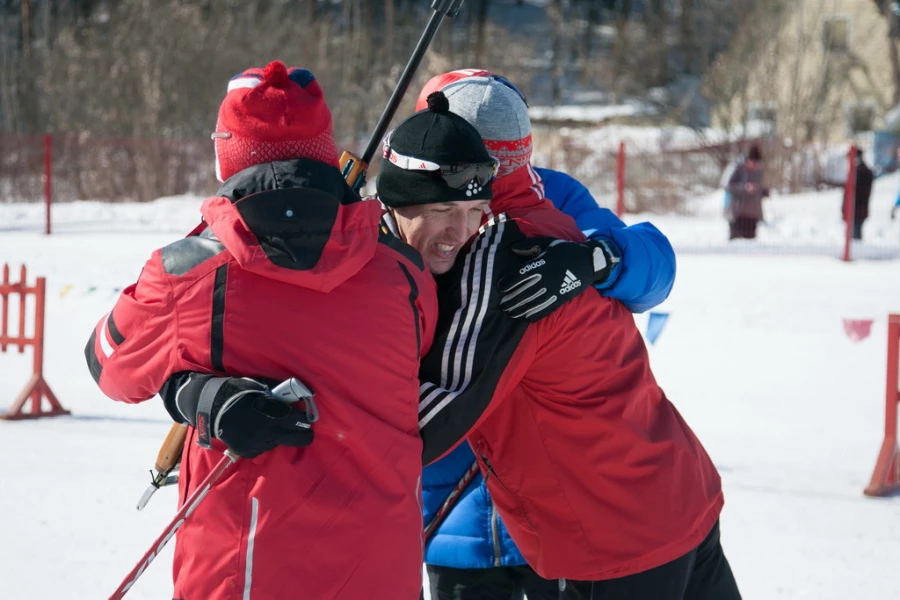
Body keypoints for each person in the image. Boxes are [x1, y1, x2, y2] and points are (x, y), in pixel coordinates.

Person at [84, 61, 440, 600]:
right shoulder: (403, 271)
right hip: (381, 572)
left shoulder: (189, 270)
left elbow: (110, 365)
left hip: (244, 574)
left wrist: (190, 388)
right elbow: (417, 347)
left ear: (227, 154)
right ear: (325, 150)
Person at [414, 74, 740, 600]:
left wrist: (596, 256)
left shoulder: (546, 206)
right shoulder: (411, 218)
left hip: (590, 523)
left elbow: (654, 266)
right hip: (468, 523)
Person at [725, 144, 768, 240]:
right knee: (736, 243)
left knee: (751, 246)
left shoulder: (758, 171)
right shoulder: (736, 167)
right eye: (753, 162)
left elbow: (759, 187)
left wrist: (763, 191)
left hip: (752, 215)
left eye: (756, 163)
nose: (754, 165)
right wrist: (744, 188)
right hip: (738, 213)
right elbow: (726, 185)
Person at [844, 148, 874, 240]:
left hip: (856, 210)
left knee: (855, 239)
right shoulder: (859, 171)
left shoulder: (860, 171)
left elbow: (859, 192)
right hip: (855, 210)